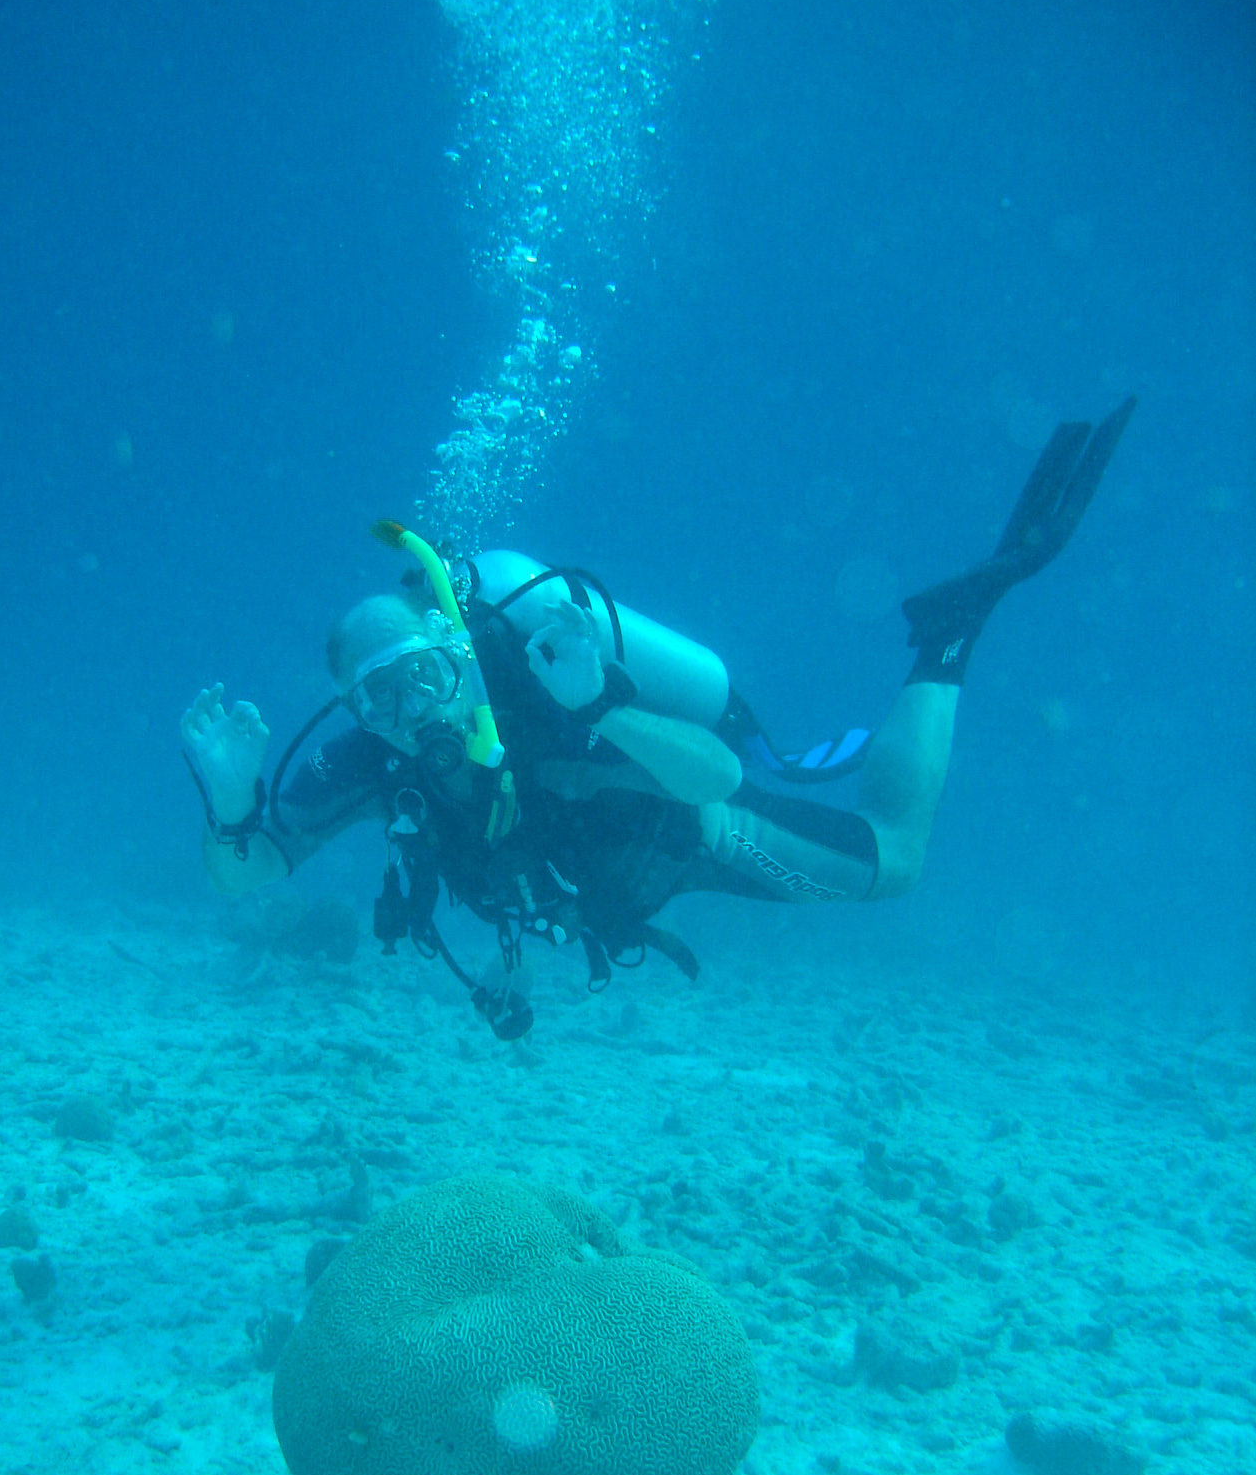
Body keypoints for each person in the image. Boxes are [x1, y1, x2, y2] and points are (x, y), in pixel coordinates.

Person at [182, 399, 1134, 1036]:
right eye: (375, 698)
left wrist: (598, 703)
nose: (406, 711)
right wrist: (233, 802)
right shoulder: (373, 758)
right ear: (352, 711)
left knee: (896, 860)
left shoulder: (545, 680)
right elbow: (248, 874)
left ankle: (948, 638)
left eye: (419, 675)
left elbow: (718, 777)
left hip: (688, 836)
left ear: (454, 652)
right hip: (588, 889)